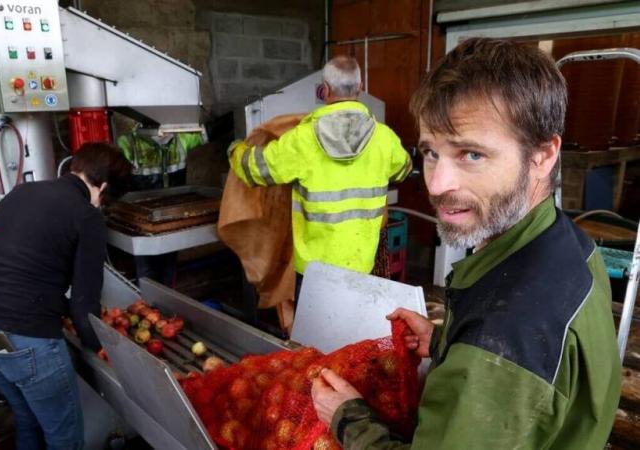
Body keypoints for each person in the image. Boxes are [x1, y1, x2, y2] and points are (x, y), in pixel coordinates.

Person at [311, 37, 621, 449]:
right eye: (431, 152)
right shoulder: (569, 243)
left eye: (471, 155)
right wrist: (445, 343)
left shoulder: (503, 340)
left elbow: (507, 357)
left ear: (543, 154)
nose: (437, 185)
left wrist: (349, 419)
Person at [0, 142, 131, 450]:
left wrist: (64, 309)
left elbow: (24, 273)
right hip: (28, 340)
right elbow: (84, 304)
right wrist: (102, 351)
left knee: (28, 420)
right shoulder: (87, 216)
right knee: (64, 438)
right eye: (106, 199)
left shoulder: (19, 194)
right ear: (103, 186)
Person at [228, 55, 411, 297]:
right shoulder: (384, 138)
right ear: (360, 88)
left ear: (324, 91)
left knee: (315, 334)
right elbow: (404, 169)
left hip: (315, 271)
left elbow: (255, 169)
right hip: (361, 264)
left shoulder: (302, 139)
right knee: (353, 331)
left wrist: (235, 149)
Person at [117, 128, 204, 286]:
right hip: (142, 223)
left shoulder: (182, 138)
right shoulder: (129, 143)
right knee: (146, 273)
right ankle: (147, 306)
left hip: (172, 219)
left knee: (168, 269)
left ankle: (166, 307)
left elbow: (212, 128)